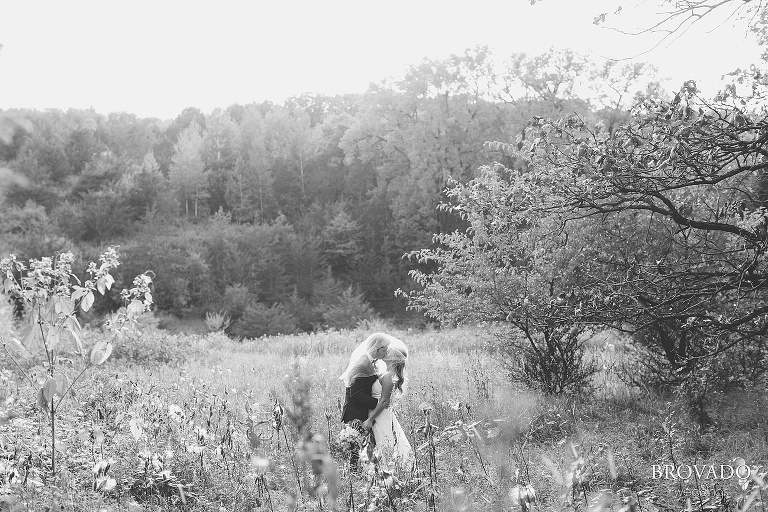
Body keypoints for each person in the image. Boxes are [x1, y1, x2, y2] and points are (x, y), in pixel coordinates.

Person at [339, 333, 391, 464]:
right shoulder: (362, 364)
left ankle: (367, 473)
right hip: (355, 413)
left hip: (364, 411)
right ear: (377, 348)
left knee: (365, 447)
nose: (386, 352)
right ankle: (354, 476)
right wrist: (378, 403)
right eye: (384, 349)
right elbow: (355, 395)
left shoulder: (372, 362)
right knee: (354, 450)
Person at [362, 334, 413, 465]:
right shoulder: (387, 374)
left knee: (387, 445)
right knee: (385, 445)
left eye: (389, 351)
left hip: (380, 416)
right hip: (381, 415)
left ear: (394, 358)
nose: (386, 352)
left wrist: (370, 419)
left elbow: (385, 402)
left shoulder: (388, 377)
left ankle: (390, 474)